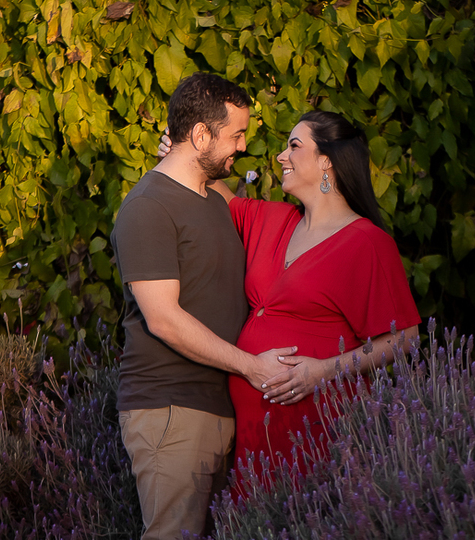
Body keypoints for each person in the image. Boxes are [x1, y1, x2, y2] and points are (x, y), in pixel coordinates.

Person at [160, 110, 420, 486]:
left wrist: (323, 372)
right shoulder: (274, 219)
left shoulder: (366, 243)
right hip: (253, 431)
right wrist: (183, 153)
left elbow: (404, 337)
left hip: (320, 422)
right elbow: (214, 192)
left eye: (294, 146)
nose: (281, 156)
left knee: (311, 509)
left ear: (326, 160)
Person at [112, 72, 296, 540]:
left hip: (220, 405)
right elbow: (165, 320)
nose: (242, 146)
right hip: (171, 408)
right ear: (200, 135)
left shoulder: (212, 197)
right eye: (235, 135)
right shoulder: (149, 207)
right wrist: (252, 367)